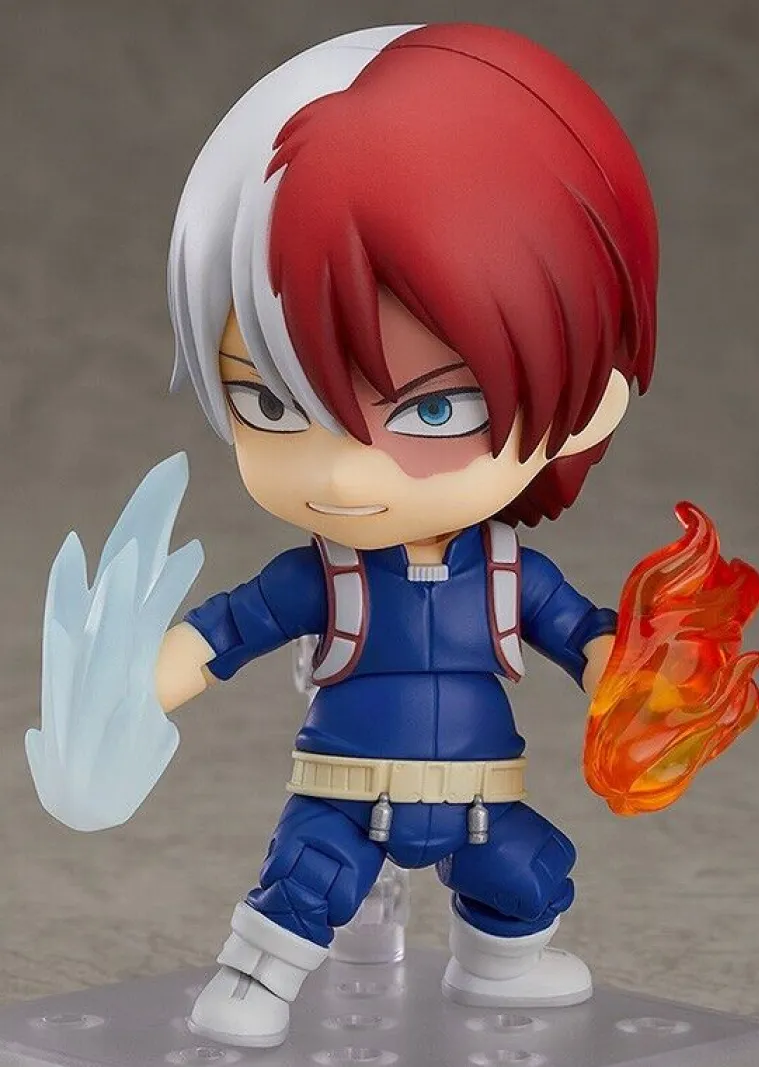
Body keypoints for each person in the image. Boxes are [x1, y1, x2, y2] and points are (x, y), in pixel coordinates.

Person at [156, 22, 658, 1048]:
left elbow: (586, 638)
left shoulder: (512, 574)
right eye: (273, 402)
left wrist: (641, 679)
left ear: (586, 402)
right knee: (309, 879)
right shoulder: (326, 578)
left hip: (481, 800)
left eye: (432, 409)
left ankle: (498, 962)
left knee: (527, 874)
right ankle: (258, 978)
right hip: (345, 793)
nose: (345, 470)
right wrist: (142, 684)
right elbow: (226, 630)